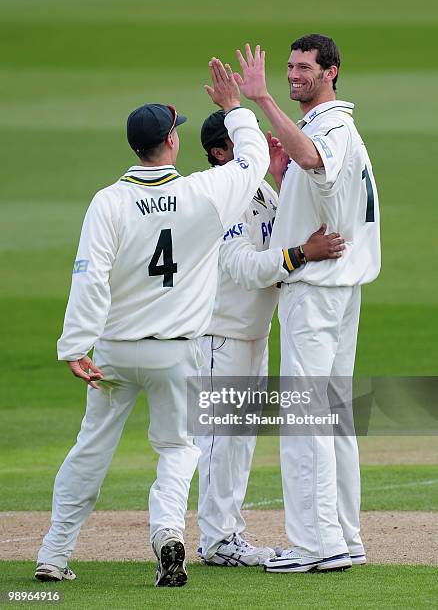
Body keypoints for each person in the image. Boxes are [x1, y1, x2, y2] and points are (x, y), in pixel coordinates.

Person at [34, 57, 271, 588]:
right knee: (178, 449)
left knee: (90, 448)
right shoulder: (204, 193)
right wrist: (234, 109)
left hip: (115, 349)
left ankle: (53, 553)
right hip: (177, 352)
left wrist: (75, 344)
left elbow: (89, 277)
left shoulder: (108, 201)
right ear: (171, 141)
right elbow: (253, 161)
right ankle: (168, 537)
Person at [232, 36, 381, 573]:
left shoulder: (332, 126)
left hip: (316, 290)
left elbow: (317, 160)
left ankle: (316, 546)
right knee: (333, 415)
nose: (295, 75)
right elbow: (320, 186)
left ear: (331, 72)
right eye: (290, 67)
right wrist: (280, 173)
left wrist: (262, 100)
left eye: (304, 68)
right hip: (337, 288)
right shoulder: (331, 125)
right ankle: (344, 537)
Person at [196, 110, 347, 567]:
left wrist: (282, 179)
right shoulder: (219, 199)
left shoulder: (259, 189)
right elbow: (243, 266)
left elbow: (281, 231)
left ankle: (226, 537)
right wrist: (302, 253)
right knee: (221, 442)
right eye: (240, 142)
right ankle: (218, 540)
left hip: (252, 334)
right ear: (221, 153)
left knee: (238, 441)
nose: (257, 147)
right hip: (219, 336)